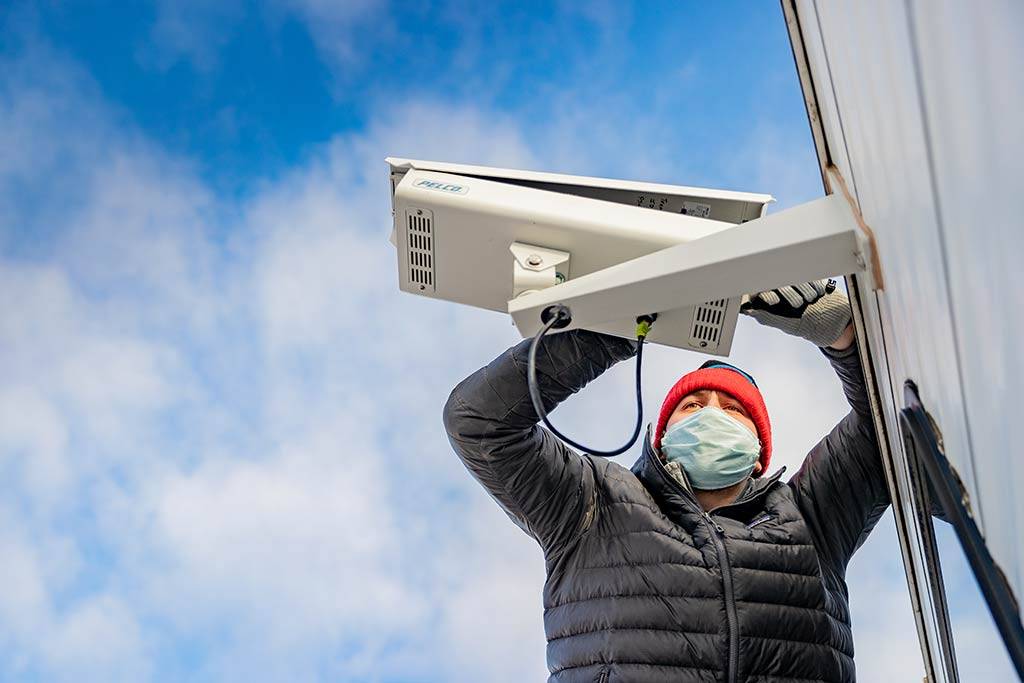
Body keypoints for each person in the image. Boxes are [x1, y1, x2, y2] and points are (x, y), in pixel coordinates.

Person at [442, 280, 888, 683]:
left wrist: (842, 336)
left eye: (734, 410)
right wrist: (618, 325)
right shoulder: (594, 503)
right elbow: (480, 422)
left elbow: (886, 429)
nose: (713, 412)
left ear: (758, 454)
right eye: (693, 405)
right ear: (664, 436)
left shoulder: (811, 518)